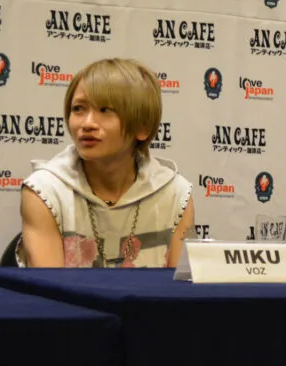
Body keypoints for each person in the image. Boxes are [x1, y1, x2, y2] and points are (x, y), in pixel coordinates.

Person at [18, 58, 193, 267]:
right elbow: (47, 285)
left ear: (143, 127)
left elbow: (181, 285)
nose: (87, 123)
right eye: (78, 109)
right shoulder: (45, 191)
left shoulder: (176, 194)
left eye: (105, 110)